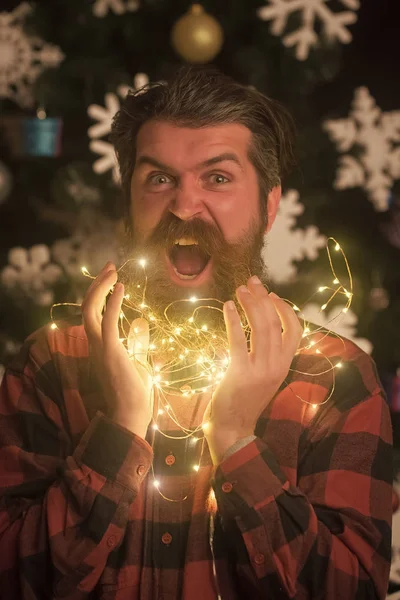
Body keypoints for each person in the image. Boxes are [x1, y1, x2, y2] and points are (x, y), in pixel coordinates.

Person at [0, 66, 393, 600]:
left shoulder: (333, 379)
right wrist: (119, 429)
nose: (184, 206)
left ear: (269, 205)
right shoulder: (53, 360)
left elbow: (351, 591)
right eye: (159, 178)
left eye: (218, 178)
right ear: (129, 200)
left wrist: (235, 439)